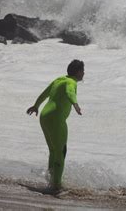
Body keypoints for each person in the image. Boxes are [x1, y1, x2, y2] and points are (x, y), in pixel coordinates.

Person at [26, 59, 84, 191]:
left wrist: (36, 106)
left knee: (53, 150)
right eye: (83, 71)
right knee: (61, 151)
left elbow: (44, 93)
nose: (84, 73)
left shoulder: (59, 79)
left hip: (44, 116)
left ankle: (51, 179)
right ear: (79, 72)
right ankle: (56, 185)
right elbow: (70, 92)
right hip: (55, 119)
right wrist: (75, 104)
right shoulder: (71, 82)